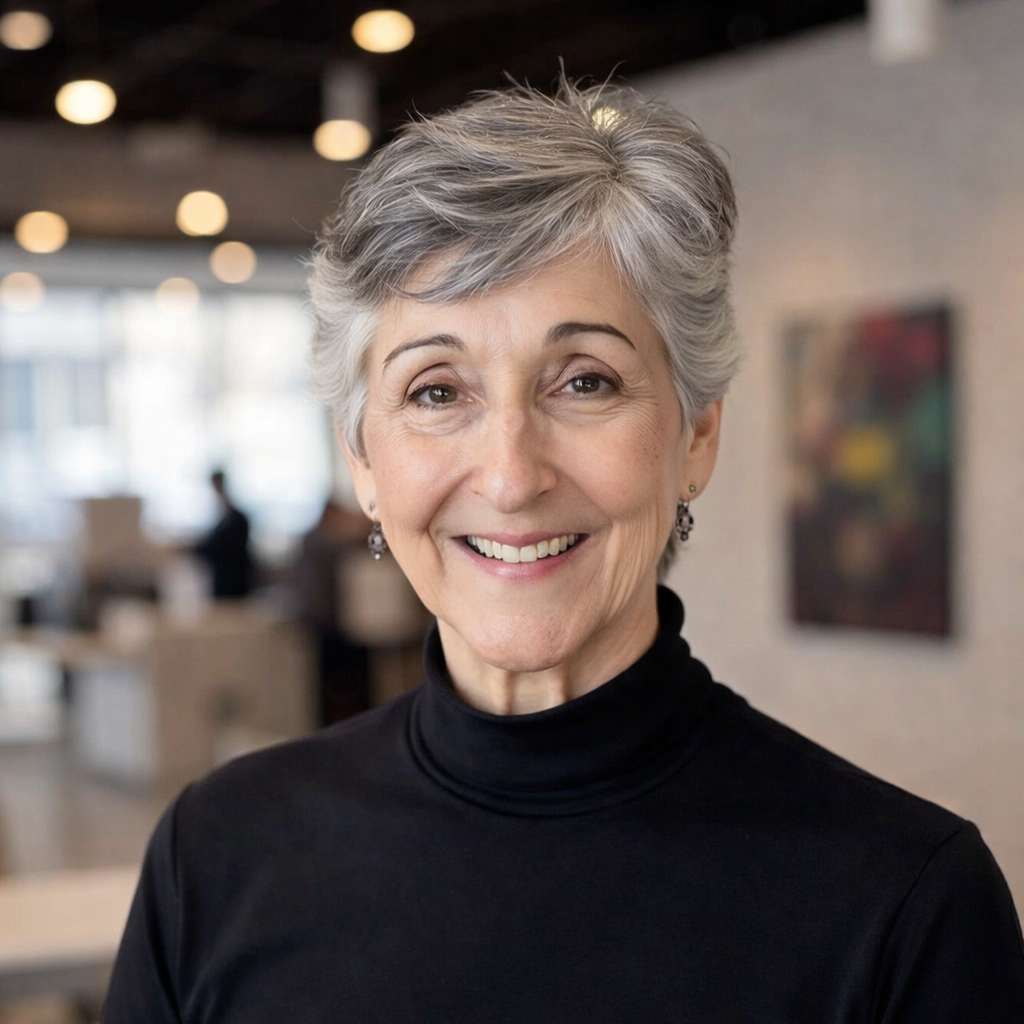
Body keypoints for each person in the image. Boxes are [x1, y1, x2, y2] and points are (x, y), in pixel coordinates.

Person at [102, 78, 1024, 1022]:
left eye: (584, 381)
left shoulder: (907, 907)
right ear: (362, 461)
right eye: (435, 391)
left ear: (696, 436)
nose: (509, 476)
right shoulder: (214, 858)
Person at [191, 468, 252, 599]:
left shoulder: (237, 519)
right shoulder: (223, 519)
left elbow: (222, 547)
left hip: (233, 583)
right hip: (222, 581)